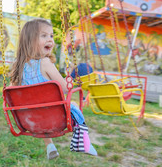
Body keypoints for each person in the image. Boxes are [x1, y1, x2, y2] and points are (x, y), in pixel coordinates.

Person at [9, 19, 97, 160]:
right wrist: (69, 82)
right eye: (44, 36)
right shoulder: (45, 63)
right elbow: (65, 89)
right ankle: (85, 143)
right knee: (73, 105)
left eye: (51, 36)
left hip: (29, 119)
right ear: (30, 41)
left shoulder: (17, 67)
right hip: (55, 118)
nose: (50, 39)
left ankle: (50, 146)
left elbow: (11, 94)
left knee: (40, 108)